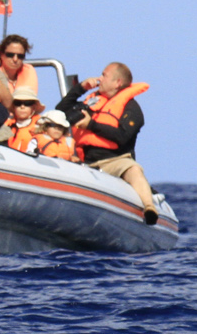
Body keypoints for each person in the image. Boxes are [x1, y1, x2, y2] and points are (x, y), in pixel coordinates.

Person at [56, 61, 160, 224]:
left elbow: (122, 136)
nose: (100, 78)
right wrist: (80, 89)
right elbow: (60, 112)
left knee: (133, 169)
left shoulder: (132, 108)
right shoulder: (92, 102)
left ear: (117, 82)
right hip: (86, 162)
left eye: (104, 75)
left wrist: (91, 125)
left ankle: (149, 207)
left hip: (115, 161)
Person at [0, 34, 39, 109]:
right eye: (10, 55)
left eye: (20, 56)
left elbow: (28, 102)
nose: (15, 59)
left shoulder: (28, 70)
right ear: (1, 54)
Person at [1, 86, 43, 151]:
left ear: (33, 108)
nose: (22, 106)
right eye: (18, 103)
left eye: (27, 103)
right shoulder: (6, 125)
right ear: (13, 107)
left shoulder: (41, 126)